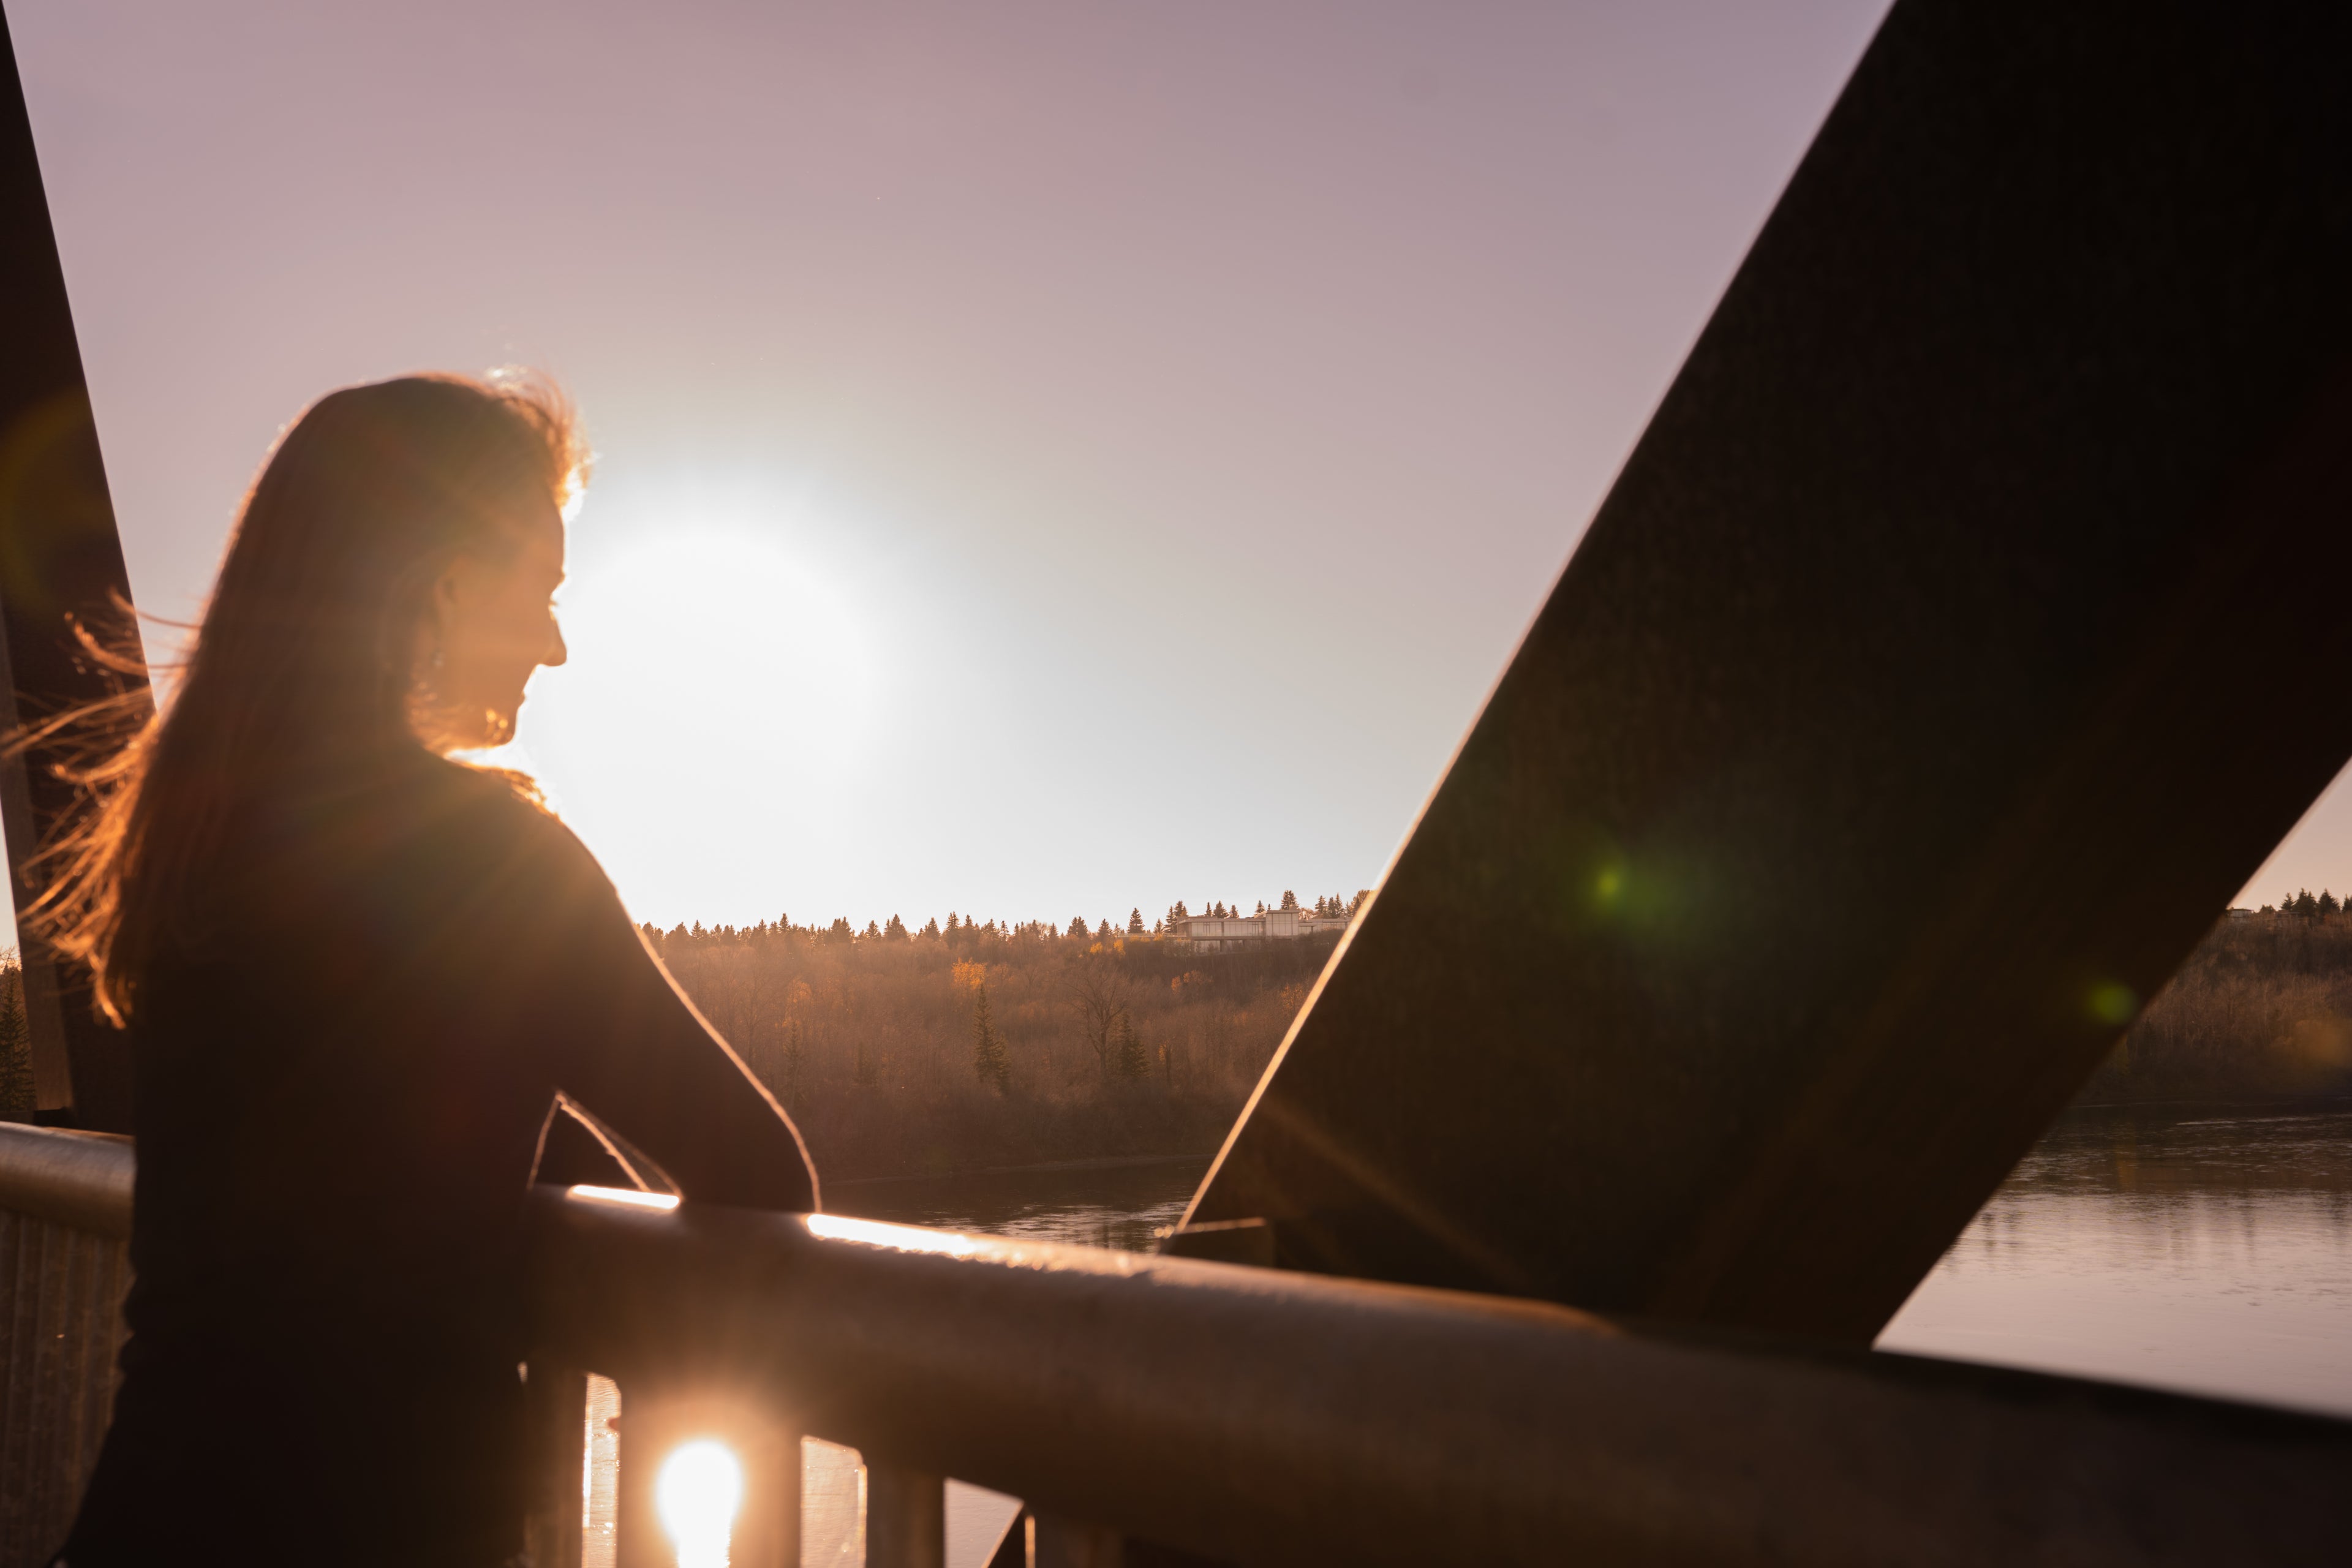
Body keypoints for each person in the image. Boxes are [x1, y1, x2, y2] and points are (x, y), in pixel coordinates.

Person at [36, 374, 817, 1566]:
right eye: (542, 591)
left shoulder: (206, 849)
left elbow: (416, 1108)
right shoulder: (494, 864)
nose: (556, 643)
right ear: (447, 585)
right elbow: (759, 1171)